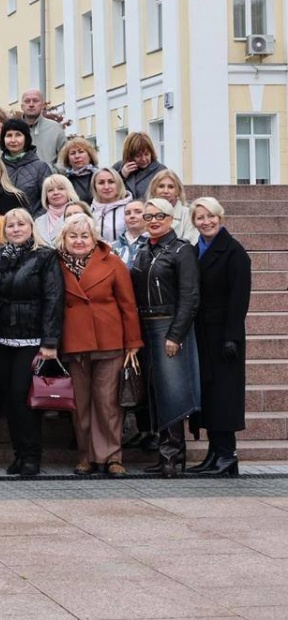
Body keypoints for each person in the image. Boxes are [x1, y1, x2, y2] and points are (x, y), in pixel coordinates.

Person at [56, 214, 142, 477]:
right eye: (73, 236)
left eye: (85, 236)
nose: (79, 241)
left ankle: (112, 457)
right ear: (64, 239)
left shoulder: (113, 262)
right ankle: (86, 455)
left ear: (94, 239)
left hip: (109, 340)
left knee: (107, 403)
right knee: (81, 404)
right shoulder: (55, 264)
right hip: (73, 341)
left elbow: (128, 305)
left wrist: (132, 343)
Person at [0, 208, 63, 476]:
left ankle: (32, 455)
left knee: (23, 397)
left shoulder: (45, 256)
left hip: (31, 339)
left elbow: (53, 298)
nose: (16, 229)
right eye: (10, 225)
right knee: (8, 398)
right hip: (0, 337)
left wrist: (50, 341)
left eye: (21, 224)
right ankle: (19, 454)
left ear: (32, 227)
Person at [129, 197, 201, 478]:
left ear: (171, 218)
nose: (154, 221)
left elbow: (190, 296)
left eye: (160, 216)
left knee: (173, 391)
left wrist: (176, 334)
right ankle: (164, 454)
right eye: (148, 217)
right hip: (145, 325)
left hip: (168, 324)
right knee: (155, 392)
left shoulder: (182, 250)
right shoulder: (143, 250)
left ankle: (173, 457)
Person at [189, 197, 251, 476]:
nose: (206, 221)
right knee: (210, 395)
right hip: (203, 333)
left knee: (225, 396)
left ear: (220, 217)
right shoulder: (195, 250)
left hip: (225, 337)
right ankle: (214, 455)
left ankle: (227, 455)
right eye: (200, 217)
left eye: (211, 216)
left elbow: (240, 299)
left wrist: (232, 337)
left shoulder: (234, 252)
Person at [0, 118, 51, 216]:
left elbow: (48, 201)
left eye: (18, 135)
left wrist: (34, 222)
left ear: (26, 138)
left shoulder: (40, 167)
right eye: (9, 135)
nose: (13, 140)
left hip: (33, 225)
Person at [146, 168, 198, 244]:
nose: (165, 191)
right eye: (161, 186)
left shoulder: (188, 214)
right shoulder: (144, 213)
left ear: (177, 191)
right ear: (154, 190)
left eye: (170, 187)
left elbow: (190, 244)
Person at [18, 89, 67, 166]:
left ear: (43, 105)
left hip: (49, 176)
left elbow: (65, 157)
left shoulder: (55, 128)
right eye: (27, 101)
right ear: (22, 106)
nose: (31, 104)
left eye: (35, 101)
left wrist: (53, 170)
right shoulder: (14, 130)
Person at [114, 131, 166, 200]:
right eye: (138, 156)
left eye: (147, 154)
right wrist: (121, 176)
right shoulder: (118, 167)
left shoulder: (161, 171)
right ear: (130, 156)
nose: (143, 159)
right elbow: (108, 192)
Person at [91, 167, 132, 244]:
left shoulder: (130, 209)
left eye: (111, 182)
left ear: (119, 184)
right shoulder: (90, 211)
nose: (106, 187)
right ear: (95, 187)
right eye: (101, 183)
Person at [33, 174, 77, 245]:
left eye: (61, 188)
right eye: (50, 190)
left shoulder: (80, 215)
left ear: (69, 191)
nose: (55, 193)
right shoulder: (38, 222)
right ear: (46, 195)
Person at [58, 137, 99, 203]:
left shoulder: (99, 176)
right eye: (73, 153)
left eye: (81, 152)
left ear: (90, 156)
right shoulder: (64, 181)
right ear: (68, 160)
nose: (77, 156)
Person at [112, 198, 149, 268]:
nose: (132, 216)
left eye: (138, 212)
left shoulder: (155, 245)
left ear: (148, 215)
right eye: (127, 213)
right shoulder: (113, 247)